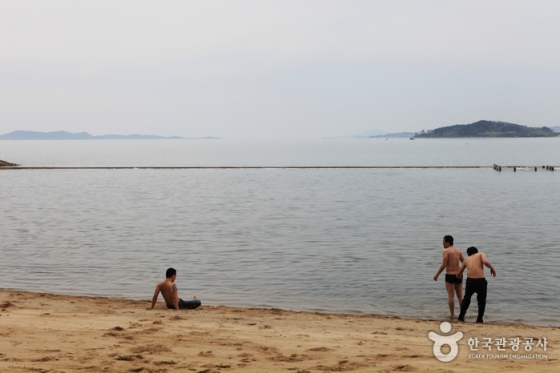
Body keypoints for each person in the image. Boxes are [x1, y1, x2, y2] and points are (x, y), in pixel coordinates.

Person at [457, 247, 496, 323]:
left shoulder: (466, 260)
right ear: (476, 252)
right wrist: (492, 268)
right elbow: (485, 261)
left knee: (466, 299)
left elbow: (459, 274)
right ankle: (479, 318)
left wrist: (456, 276)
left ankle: (461, 316)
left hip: (470, 281)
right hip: (480, 281)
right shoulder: (480, 254)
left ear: (468, 254)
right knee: (481, 300)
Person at [433, 235, 465, 318]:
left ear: (448, 242)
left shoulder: (446, 251)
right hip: (458, 275)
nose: (442, 243)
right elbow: (464, 262)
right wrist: (461, 272)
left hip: (450, 275)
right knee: (460, 296)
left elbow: (444, 264)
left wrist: (437, 274)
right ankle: (463, 314)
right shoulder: (458, 250)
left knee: (451, 296)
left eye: (443, 241)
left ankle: (452, 314)